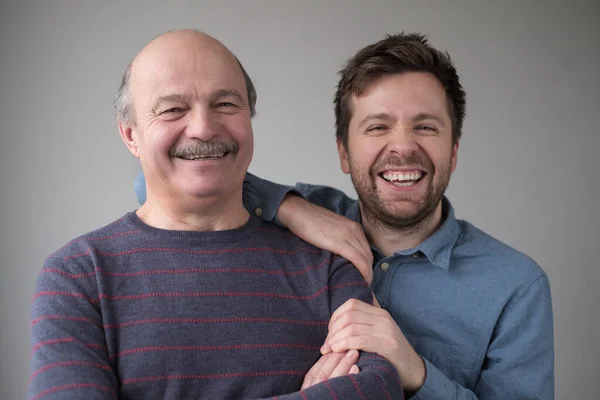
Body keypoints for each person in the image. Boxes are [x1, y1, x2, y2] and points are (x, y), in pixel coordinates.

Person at [133, 32, 555, 399]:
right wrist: (290, 207)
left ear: (455, 150)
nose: (403, 148)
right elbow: (156, 185)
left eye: (426, 127)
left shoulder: (516, 285)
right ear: (343, 153)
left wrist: (417, 373)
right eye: (377, 127)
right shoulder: (296, 220)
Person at [28, 30, 403, 400]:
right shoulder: (77, 275)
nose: (204, 128)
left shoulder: (327, 262)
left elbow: (379, 386)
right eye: (173, 109)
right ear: (131, 135)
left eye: (225, 104)